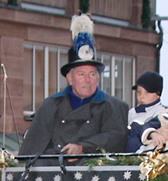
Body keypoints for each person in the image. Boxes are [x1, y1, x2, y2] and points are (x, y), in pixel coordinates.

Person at [18, 14, 129, 157]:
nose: (87, 80)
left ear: (98, 77)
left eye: (92, 74)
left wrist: (83, 147)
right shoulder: (50, 106)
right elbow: (30, 152)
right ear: (70, 78)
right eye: (81, 74)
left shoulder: (115, 107)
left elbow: (116, 140)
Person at [125, 71, 166, 152]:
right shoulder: (132, 112)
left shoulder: (162, 112)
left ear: (158, 94)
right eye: (139, 92)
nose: (141, 96)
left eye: (147, 92)